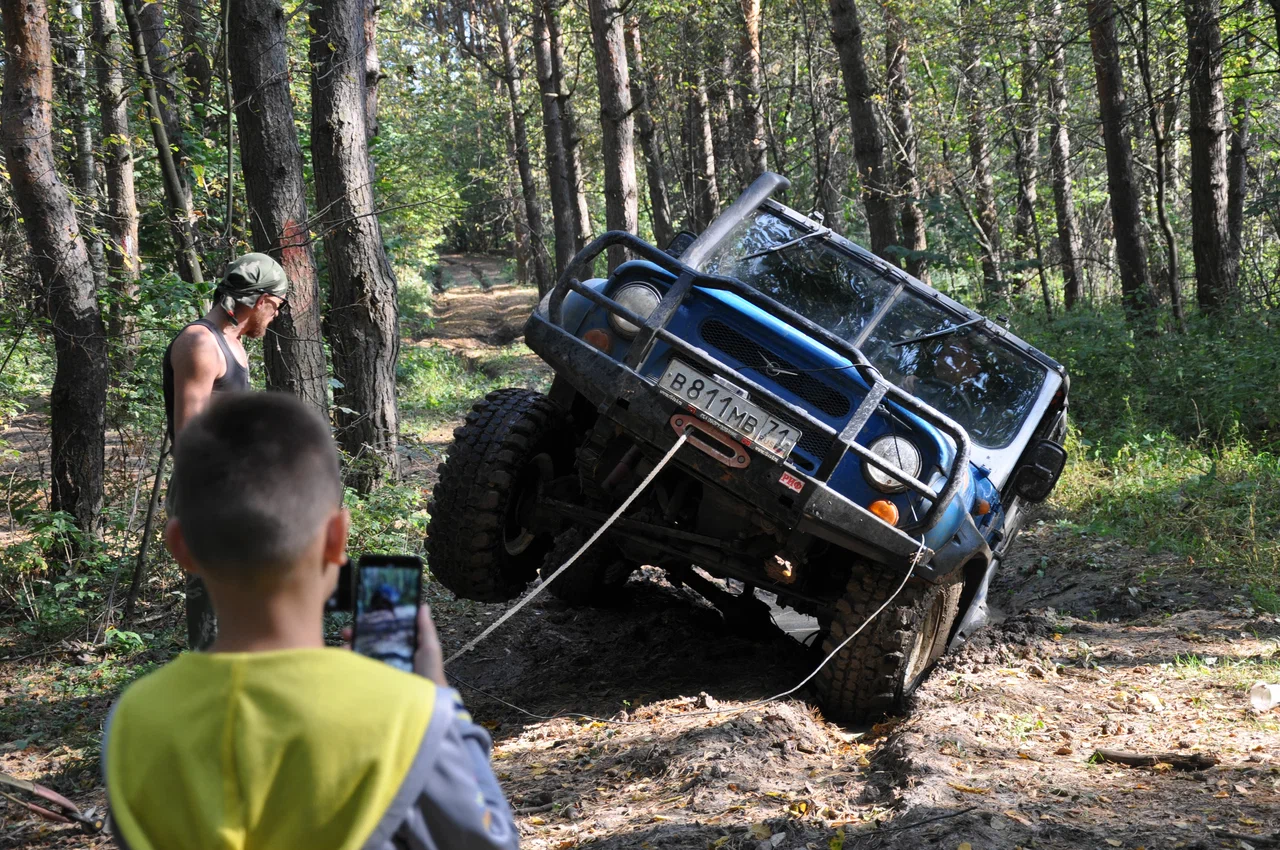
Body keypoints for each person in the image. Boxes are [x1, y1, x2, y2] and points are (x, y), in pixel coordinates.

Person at [103, 393, 520, 850]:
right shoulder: (412, 717)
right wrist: (444, 705)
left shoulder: (132, 723)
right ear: (336, 538)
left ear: (180, 547)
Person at [163, 252, 289, 649]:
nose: (277, 316)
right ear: (259, 300)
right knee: (213, 609)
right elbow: (189, 436)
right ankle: (212, 690)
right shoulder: (200, 343)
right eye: (277, 307)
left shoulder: (233, 344)